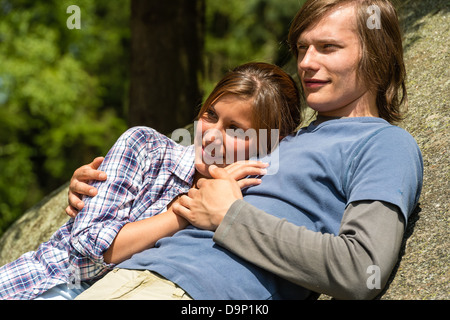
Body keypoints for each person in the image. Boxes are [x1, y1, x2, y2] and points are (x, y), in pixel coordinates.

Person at [70, 0, 423, 300]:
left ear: (377, 55)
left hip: (196, 293)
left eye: (328, 47)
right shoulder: (280, 138)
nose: (306, 62)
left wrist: (230, 216)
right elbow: (172, 180)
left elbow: (362, 268)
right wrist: (95, 188)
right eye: (302, 48)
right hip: (124, 279)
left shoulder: (384, 144)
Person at [0, 62, 301, 300]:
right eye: (210, 114)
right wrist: (184, 212)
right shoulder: (144, 147)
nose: (210, 135)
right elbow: (87, 254)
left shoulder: (254, 194)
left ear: (268, 143)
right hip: (40, 285)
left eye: (235, 129)